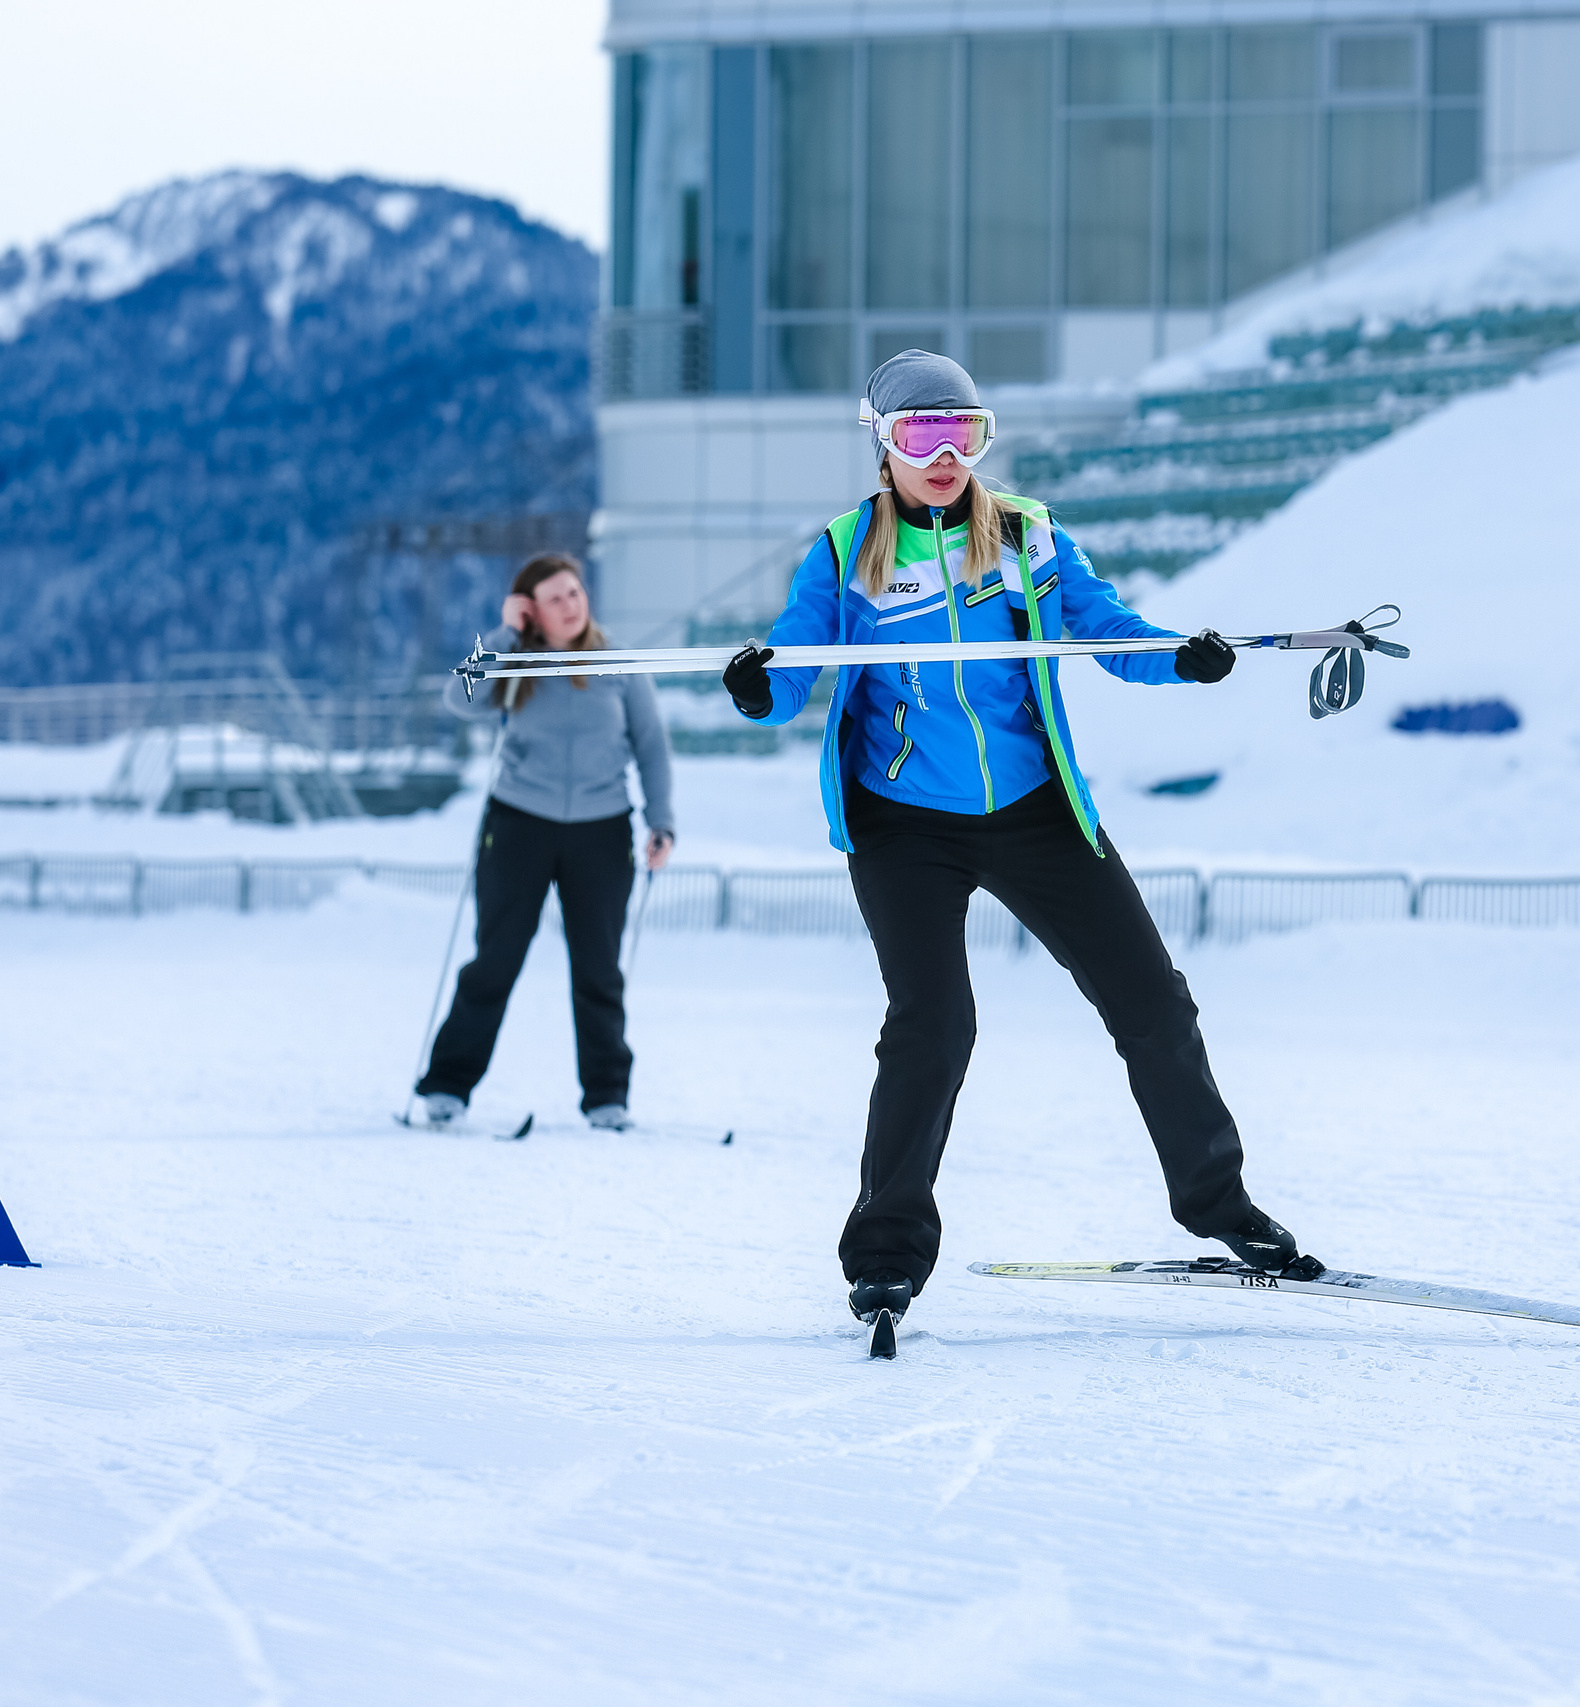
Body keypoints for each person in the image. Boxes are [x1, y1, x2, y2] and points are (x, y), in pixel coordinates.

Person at [723, 350, 1313, 1331]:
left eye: (965, 432)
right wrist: (757, 685)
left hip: (1035, 810)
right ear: (881, 445)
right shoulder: (844, 551)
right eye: (921, 434)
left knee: (1152, 1004)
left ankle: (1218, 1204)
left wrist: (1182, 658)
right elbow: (792, 669)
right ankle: (885, 1251)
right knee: (934, 1026)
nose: (946, 454)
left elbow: (1111, 632)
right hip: (904, 821)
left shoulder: (1028, 537)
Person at [415, 553, 676, 1130]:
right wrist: (508, 633)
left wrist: (661, 821)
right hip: (517, 825)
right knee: (494, 962)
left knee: (599, 970)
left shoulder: (619, 665)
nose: (571, 605)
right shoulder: (514, 661)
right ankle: (446, 1088)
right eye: (554, 598)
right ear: (533, 610)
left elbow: (652, 747)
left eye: (575, 593)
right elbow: (458, 700)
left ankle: (608, 1097)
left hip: (602, 830)